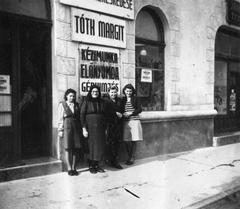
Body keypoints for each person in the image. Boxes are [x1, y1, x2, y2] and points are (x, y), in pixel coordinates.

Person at [80, 85, 106, 174]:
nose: (95, 93)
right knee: (91, 146)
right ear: (90, 93)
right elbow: (82, 115)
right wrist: (84, 128)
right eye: (93, 92)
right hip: (90, 128)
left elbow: (105, 114)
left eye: (97, 92)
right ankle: (91, 166)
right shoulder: (86, 101)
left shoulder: (102, 102)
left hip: (100, 128)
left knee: (99, 146)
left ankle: (97, 165)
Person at [58, 89, 82, 176]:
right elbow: (60, 118)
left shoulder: (77, 105)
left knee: (76, 147)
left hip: (76, 127)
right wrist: (60, 130)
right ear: (66, 96)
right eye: (70, 96)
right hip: (67, 126)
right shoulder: (63, 104)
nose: (72, 98)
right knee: (68, 148)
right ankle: (69, 168)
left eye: (73, 96)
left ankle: (74, 167)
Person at [121, 84, 143, 165]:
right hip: (126, 122)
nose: (128, 92)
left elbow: (140, 109)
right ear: (124, 91)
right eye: (127, 91)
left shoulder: (136, 98)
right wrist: (122, 114)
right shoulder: (123, 99)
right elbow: (120, 109)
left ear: (132, 91)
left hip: (135, 121)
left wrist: (131, 113)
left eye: (130, 91)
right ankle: (130, 156)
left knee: (134, 140)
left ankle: (132, 157)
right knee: (126, 140)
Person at [104, 85, 123, 169]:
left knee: (118, 142)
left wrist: (121, 114)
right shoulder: (106, 101)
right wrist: (115, 113)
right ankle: (113, 161)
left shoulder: (119, 100)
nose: (113, 94)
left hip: (118, 124)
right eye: (112, 92)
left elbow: (122, 109)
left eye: (115, 92)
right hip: (110, 124)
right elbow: (105, 111)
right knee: (110, 142)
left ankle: (114, 160)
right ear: (108, 92)